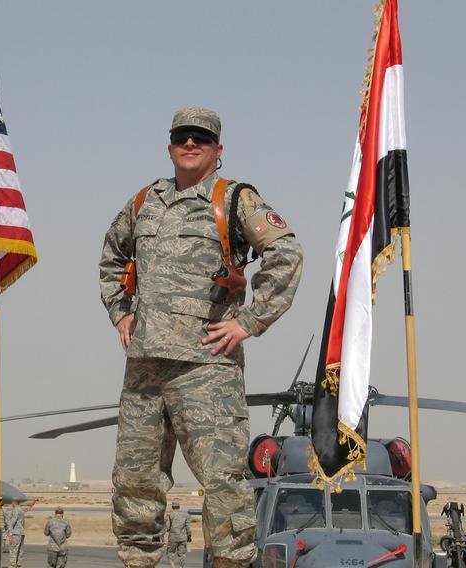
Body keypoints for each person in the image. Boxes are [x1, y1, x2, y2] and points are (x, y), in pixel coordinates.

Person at [99, 107, 303, 568]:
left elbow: (285, 253)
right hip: (145, 369)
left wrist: (249, 322)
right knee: (135, 484)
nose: (190, 144)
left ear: (218, 150)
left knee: (223, 485)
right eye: (181, 136)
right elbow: (112, 258)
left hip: (207, 369)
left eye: (201, 138)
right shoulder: (143, 202)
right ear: (169, 145)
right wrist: (120, 312)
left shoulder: (233, 200)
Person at [165, 499, 191, 568]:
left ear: (172, 507)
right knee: (182, 554)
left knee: (170, 552)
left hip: (173, 538)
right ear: (179, 506)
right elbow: (188, 528)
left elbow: (167, 527)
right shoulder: (186, 515)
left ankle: (173, 566)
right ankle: (181, 567)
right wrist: (189, 537)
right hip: (183, 538)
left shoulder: (170, 515)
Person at [4, 498, 27, 567]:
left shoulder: (15, 510)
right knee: (20, 550)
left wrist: (10, 534)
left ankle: (13, 564)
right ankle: (19, 564)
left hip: (16, 533)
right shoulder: (21, 510)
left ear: (14, 502)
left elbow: (12, 523)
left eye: (12, 502)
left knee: (13, 549)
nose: (11, 504)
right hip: (21, 532)